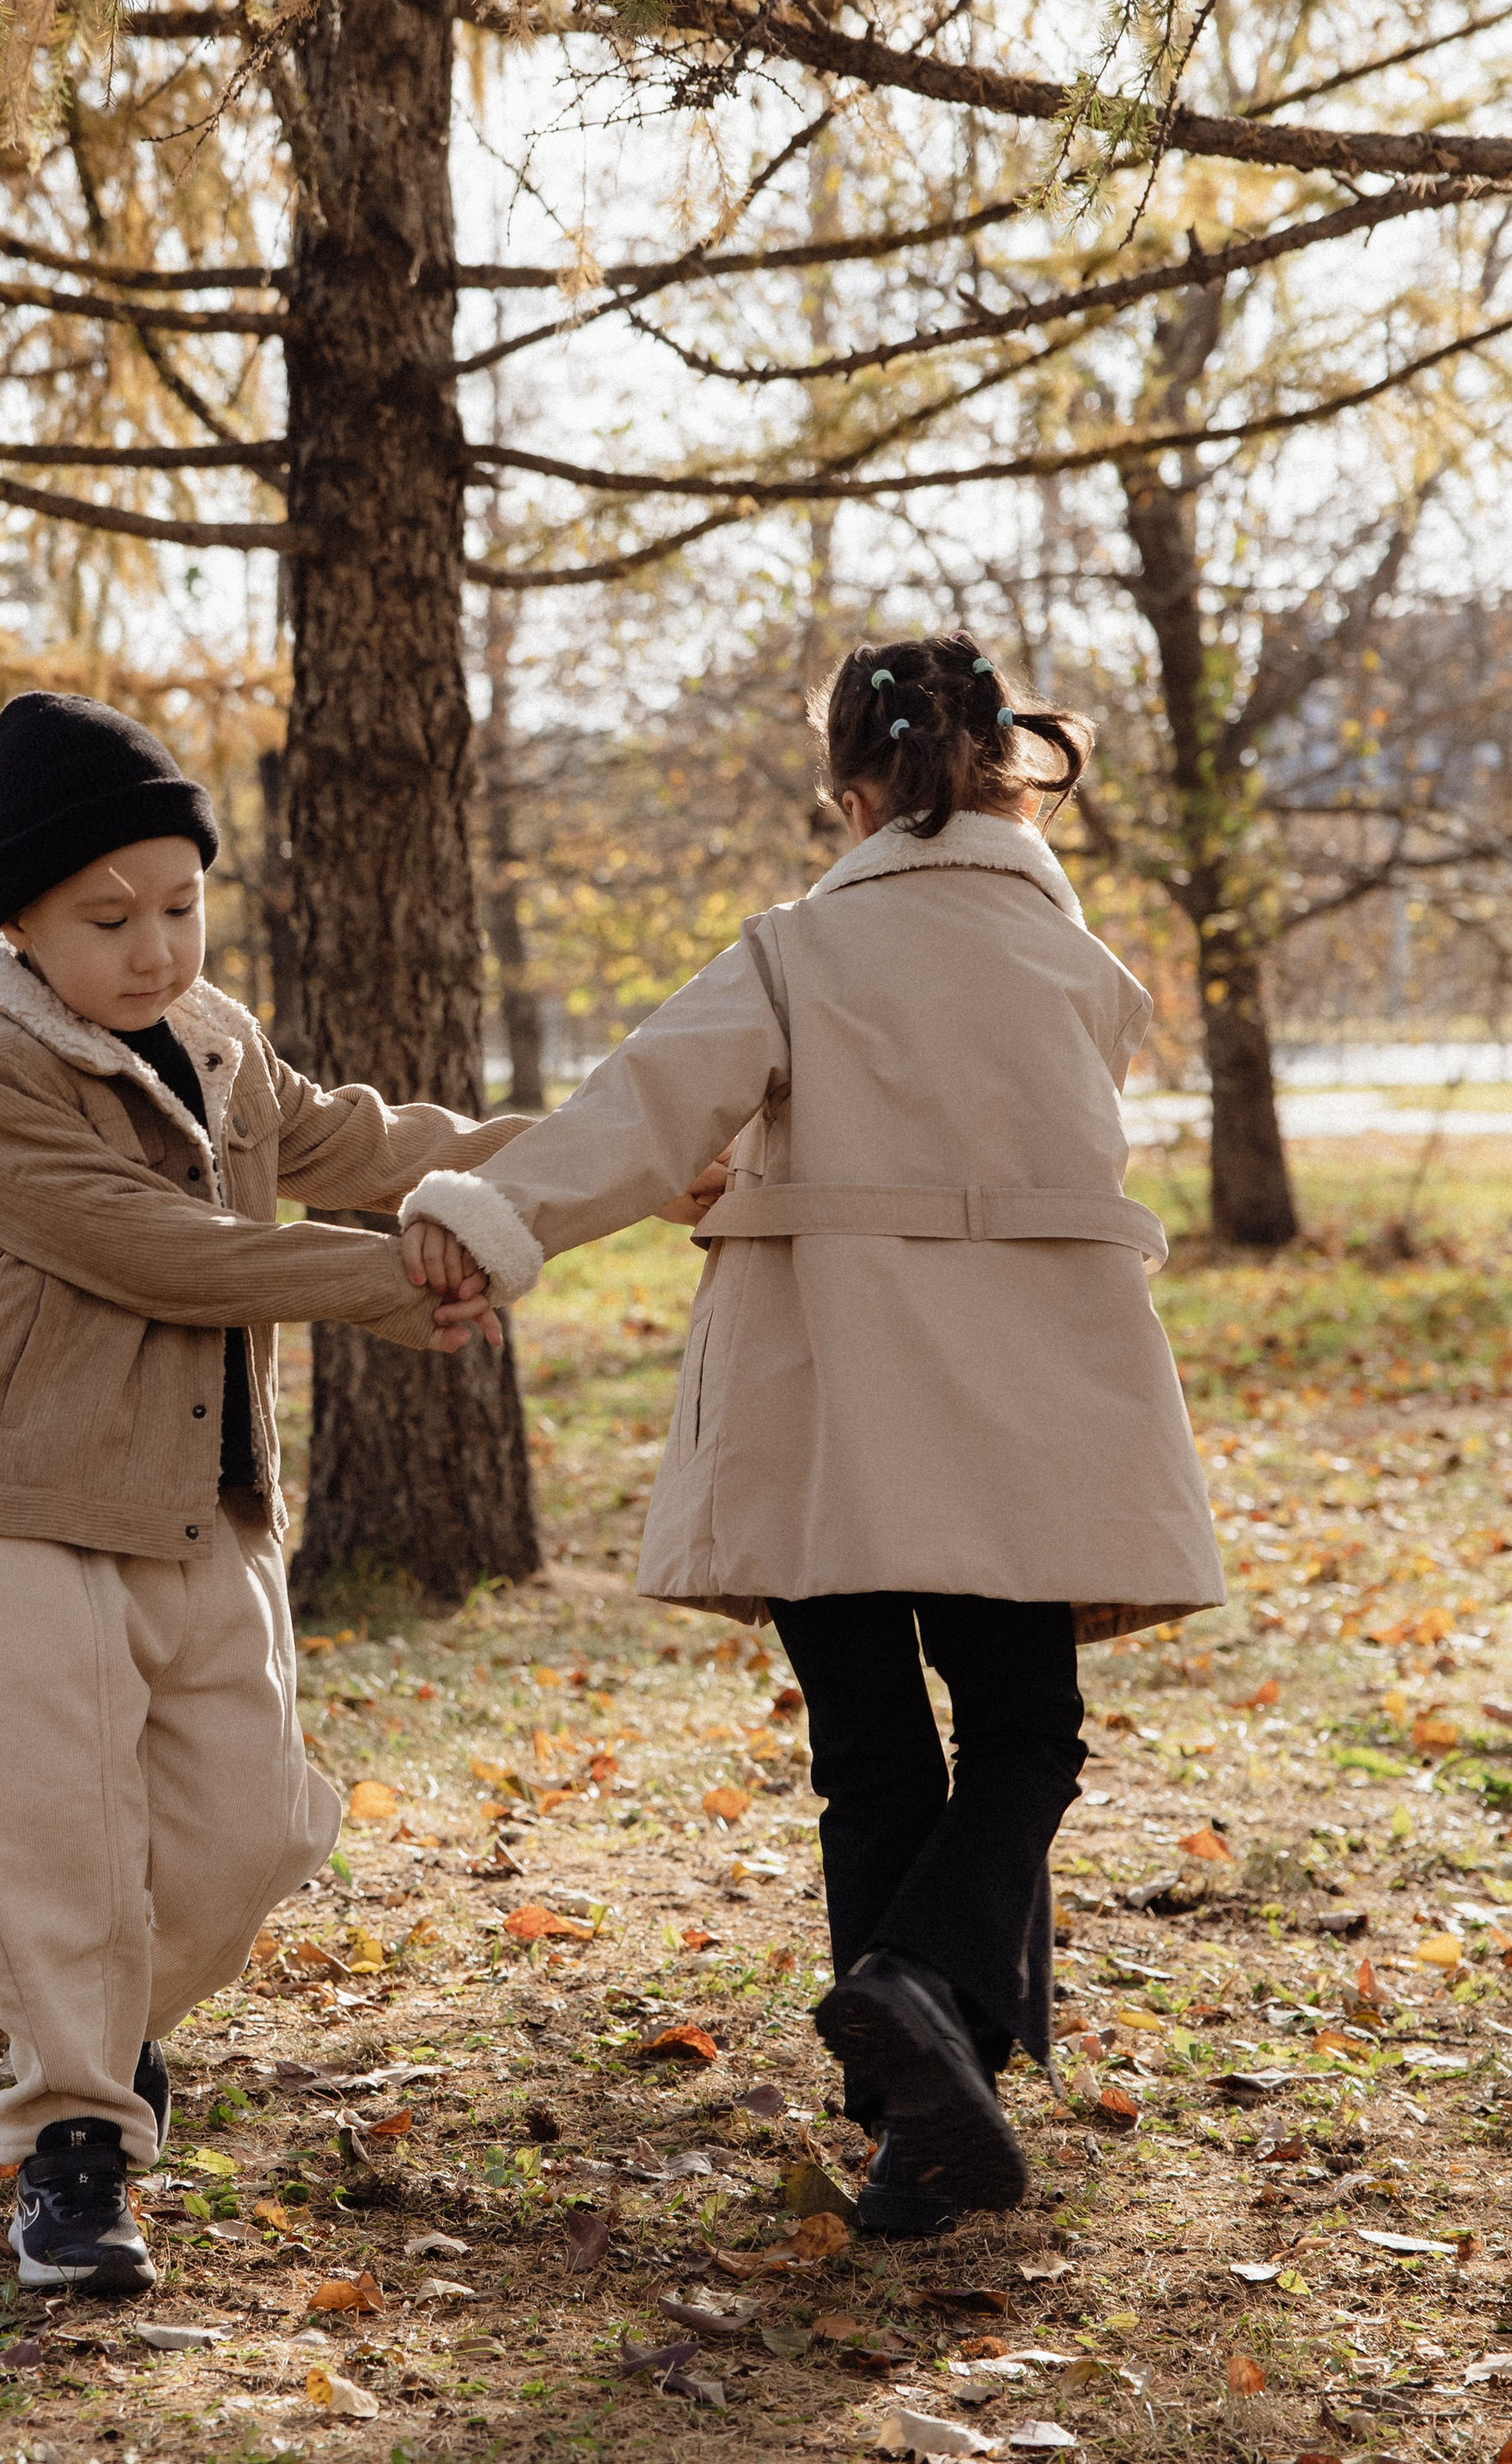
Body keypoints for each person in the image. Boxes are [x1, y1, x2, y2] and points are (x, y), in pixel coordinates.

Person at [399, 634, 1220, 2234]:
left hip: (827, 1409)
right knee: (1024, 1734)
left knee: (869, 1751)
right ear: (1008, 775)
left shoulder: (791, 953)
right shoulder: (1085, 973)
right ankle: (934, 2051)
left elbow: (641, 1114)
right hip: (1028, 1420)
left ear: (850, 794)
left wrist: (493, 1217)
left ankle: (916, 2091)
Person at [0, 690, 518, 2297]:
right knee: (52, 1842)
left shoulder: (220, 1043)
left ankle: (98, 2040)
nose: (157, 947)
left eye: (181, 904)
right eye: (110, 919)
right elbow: (160, 1249)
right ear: (23, 925)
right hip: (19, 1501)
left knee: (250, 1835)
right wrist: (384, 1283)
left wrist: (577, 1162)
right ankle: (73, 2144)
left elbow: (360, 1139)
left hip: (203, 1503)